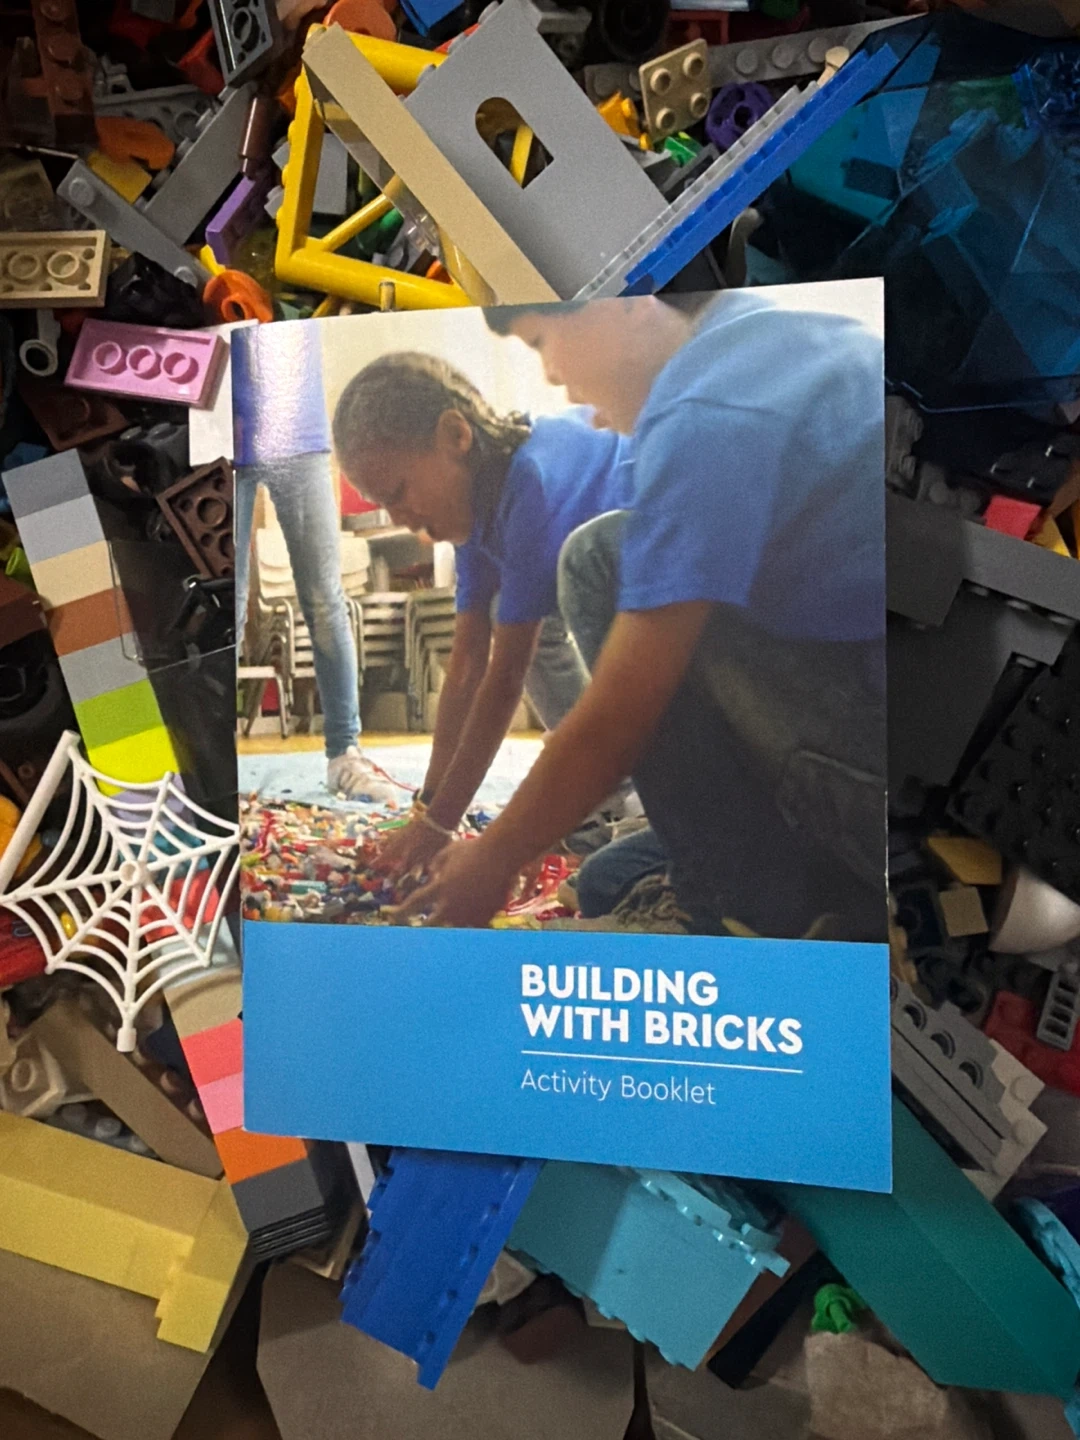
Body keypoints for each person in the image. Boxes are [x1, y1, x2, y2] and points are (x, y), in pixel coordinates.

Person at [397, 291, 888, 940]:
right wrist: (462, 822)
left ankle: (739, 912)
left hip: (877, 792)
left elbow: (619, 714)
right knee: (605, 878)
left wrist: (496, 855)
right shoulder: (743, 338)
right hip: (850, 737)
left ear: (629, 302)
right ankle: (792, 887)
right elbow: (471, 666)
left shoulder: (702, 415)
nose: (551, 375)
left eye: (542, 343)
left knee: (597, 559)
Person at [331, 351, 638, 878]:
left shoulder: (530, 483)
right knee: (512, 613)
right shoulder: (476, 509)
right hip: (608, 572)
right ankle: (607, 791)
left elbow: (504, 677)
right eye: (385, 505)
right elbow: (467, 665)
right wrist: (428, 808)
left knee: (535, 629)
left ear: (456, 435)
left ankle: (634, 792)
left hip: (668, 554)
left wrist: (440, 826)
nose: (402, 520)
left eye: (400, 494)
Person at [233, 322, 395, 802]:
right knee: (229, 606)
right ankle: (215, 763)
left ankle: (345, 752)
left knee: (325, 601)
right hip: (224, 432)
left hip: (299, 433)